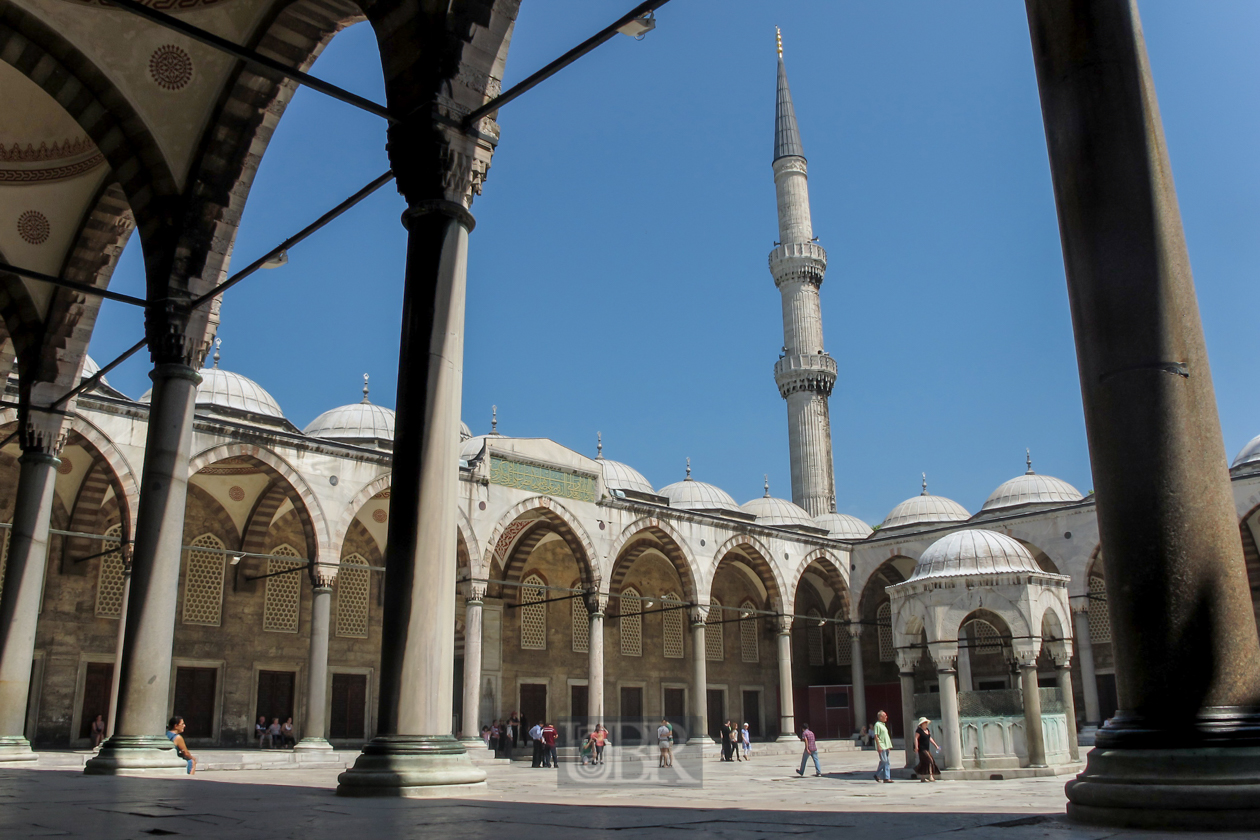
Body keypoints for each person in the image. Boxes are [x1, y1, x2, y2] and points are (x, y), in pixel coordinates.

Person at [914, 717, 941, 782]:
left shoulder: (927, 730)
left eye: (926, 723)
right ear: (921, 724)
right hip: (921, 749)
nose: (926, 724)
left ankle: (923, 778)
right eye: (925, 723)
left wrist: (936, 746)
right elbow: (916, 739)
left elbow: (930, 738)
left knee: (924, 762)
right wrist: (916, 747)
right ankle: (930, 776)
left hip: (927, 748)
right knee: (929, 760)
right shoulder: (919, 730)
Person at [872, 710, 894, 783]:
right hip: (881, 745)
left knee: (887, 762)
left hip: (886, 745)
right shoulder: (877, 725)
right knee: (884, 761)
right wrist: (878, 746)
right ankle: (877, 774)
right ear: (881, 717)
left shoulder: (883, 725)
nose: (886, 717)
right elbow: (876, 736)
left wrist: (889, 746)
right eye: (885, 716)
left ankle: (886, 778)